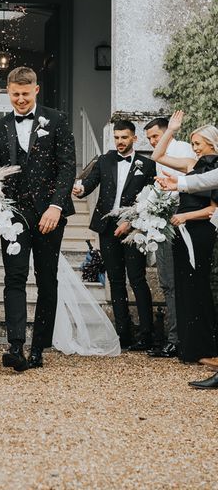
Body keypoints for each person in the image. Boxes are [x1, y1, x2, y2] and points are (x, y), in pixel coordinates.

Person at [0, 66, 76, 371]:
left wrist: (56, 206)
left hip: (49, 213)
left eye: (26, 94)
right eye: (15, 94)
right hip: (13, 214)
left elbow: (67, 166)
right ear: (8, 92)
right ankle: (15, 346)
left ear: (36, 90)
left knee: (46, 279)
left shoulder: (57, 119)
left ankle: (39, 347)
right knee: (14, 277)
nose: (21, 100)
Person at [73, 120, 156, 349]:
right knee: (116, 280)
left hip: (134, 228)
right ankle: (123, 334)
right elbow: (88, 184)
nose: (119, 142)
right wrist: (79, 190)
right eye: (117, 137)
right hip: (108, 228)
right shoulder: (105, 159)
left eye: (124, 138)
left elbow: (150, 199)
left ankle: (147, 335)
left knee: (138, 279)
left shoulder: (147, 165)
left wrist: (130, 222)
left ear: (134, 139)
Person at [151, 111, 218, 364]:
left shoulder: (216, 169)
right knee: (184, 287)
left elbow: (213, 209)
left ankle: (204, 347)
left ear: (211, 143)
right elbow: (157, 155)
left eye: (197, 143)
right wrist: (171, 130)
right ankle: (189, 348)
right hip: (181, 230)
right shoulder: (191, 164)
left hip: (200, 231)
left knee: (196, 286)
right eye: (192, 144)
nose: (194, 148)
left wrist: (186, 217)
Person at [143, 117, 196, 358]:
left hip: (181, 220)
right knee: (167, 281)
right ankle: (176, 337)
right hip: (163, 220)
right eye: (150, 139)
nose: (153, 141)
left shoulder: (183, 149)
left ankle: (178, 338)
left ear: (167, 133)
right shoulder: (160, 155)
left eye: (155, 136)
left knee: (175, 281)